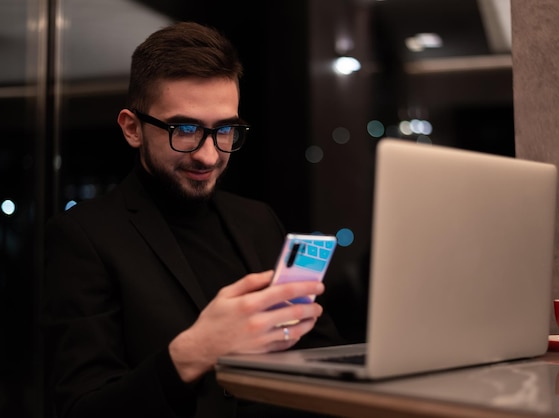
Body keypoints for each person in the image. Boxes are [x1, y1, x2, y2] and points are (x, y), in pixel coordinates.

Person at [43, 21, 342, 418]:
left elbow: (324, 359)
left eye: (225, 130)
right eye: (184, 129)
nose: (208, 156)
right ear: (132, 128)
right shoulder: (82, 237)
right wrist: (194, 352)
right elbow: (83, 408)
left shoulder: (256, 220)